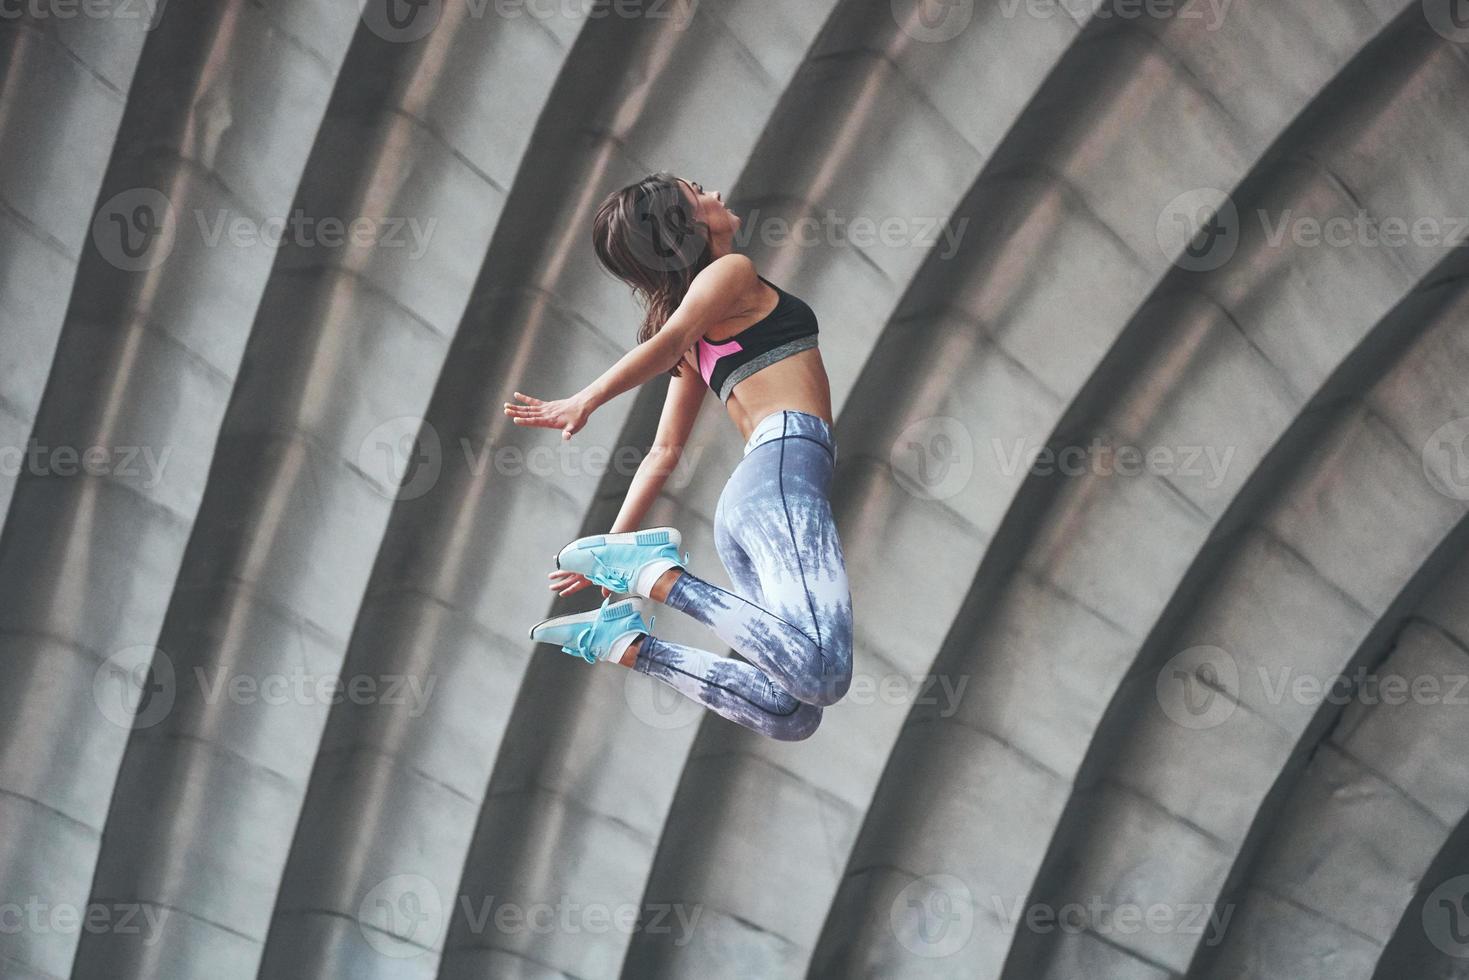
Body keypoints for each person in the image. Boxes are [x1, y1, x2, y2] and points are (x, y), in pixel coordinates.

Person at [505, 173, 853, 741]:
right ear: (683, 224)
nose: (714, 192)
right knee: (826, 673)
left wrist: (609, 563)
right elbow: (664, 345)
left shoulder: (704, 328)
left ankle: (628, 644)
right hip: (784, 475)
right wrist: (585, 400)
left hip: (753, 503)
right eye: (698, 191)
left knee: (791, 712)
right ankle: (660, 578)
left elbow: (663, 453)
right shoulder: (732, 273)